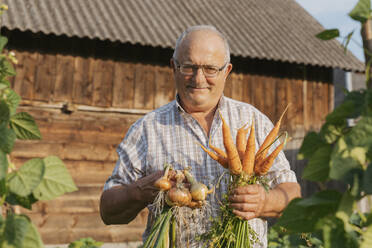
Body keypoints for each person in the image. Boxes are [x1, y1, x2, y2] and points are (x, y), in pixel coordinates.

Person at [100, 25, 301, 247]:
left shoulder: (253, 120)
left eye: (210, 68)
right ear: (173, 67)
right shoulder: (146, 129)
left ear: (227, 71)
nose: (198, 78)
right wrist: (140, 190)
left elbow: (292, 194)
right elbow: (108, 211)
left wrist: (264, 202)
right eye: (188, 66)